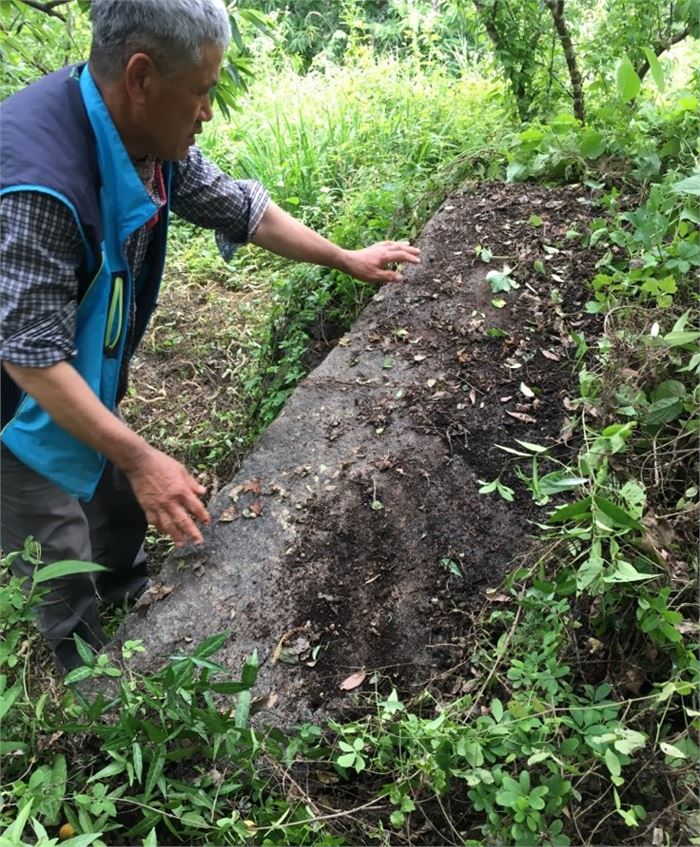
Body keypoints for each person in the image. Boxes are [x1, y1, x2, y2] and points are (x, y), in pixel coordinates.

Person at [0, 0, 420, 672]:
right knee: (53, 534)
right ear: (141, 78)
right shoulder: (39, 183)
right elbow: (30, 358)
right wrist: (144, 459)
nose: (208, 112)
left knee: (111, 485)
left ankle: (133, 594)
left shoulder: (143, 141)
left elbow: (242, 208)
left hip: (83, 362)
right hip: (16, 392)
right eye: (200, 91)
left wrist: (346, 257)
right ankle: (86, 685)